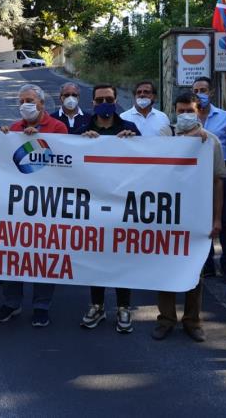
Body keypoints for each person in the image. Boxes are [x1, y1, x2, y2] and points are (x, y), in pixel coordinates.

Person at [151, 92, 225, 343]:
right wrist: (189, 138)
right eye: (180, 110)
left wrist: (217, 219)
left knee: (195, 270)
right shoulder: (164, 135)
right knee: (164, 268)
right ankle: (166, 318)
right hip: (166, 215)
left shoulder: (211, 141)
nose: (184, 115)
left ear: (199, 111)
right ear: (173, 111)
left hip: (197, 216)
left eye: (189, 111)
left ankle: (193, 321)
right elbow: (159, 162)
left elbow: (217, 182)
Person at [0, 84, 67, 327]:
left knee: (44, 257)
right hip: (16, 206)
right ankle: (12, 303)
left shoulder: (58, 128)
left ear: (42, 104)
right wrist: (3, 138)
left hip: (46, 205)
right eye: (22, 100)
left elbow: (67, 162)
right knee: (13, 254)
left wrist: (41, 139)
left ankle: (41, 306)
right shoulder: (14, 128)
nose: (26, 104)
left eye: (31, 100)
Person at [77, 85, 139, 333]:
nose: (105, 103)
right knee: (96, 257)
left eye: (109, 99)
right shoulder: (83, 130)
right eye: (100, 99)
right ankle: (97, 305)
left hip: (122, 204)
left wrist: (134, 143)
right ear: (92, 103)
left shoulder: (130, 129)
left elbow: (148, 161)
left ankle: (124, 307)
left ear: (115, 101)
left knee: (120, 257)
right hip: (92, 206)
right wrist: (80, 143)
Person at [191, 76, 226, 283]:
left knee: (225, 219)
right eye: (196, 90)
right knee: (201, 217)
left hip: (222, 171)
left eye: (204, 90)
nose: (200, 93)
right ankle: (207, 264)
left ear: (211, 92)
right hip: (195, 173)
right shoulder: (187, 117)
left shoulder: (225, 117)